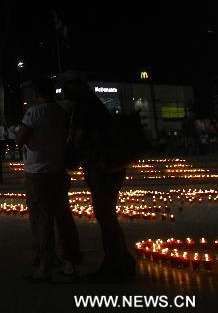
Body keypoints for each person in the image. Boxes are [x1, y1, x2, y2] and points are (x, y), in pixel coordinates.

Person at [65, 77, 135, 282]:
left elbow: (79, 139)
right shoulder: (96, 106)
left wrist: (69, 159)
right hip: (111, 166)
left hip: (101, 167)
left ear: (79, 87)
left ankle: (114, 265)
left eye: (68, 85)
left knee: (105, 215)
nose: (65, 90)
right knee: (108, 214)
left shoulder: (85, 109)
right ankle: (123, 260)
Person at [16, 77, 81, 282]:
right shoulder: (61, 111)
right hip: (58, 169)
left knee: (42, 219)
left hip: (38, 172)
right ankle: (69, 261)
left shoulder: (34, 112)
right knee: (63, 216)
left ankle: (45, 265)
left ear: (36, 93)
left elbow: (20, 137)